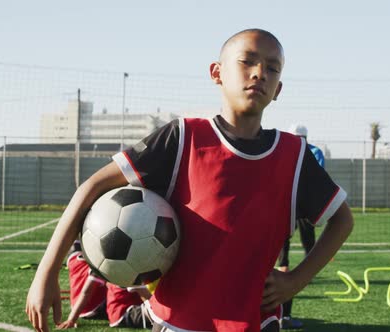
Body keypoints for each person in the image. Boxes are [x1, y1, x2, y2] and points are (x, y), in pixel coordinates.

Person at [26, 28, 354, 332]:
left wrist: (296, 279)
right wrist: (47, 271)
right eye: (247, 62)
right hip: (176, 323)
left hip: (256, 322)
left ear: (278, 88)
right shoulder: (183, 138)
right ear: (217, 73)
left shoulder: (293, 155)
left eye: (272, 67)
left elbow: (342, 220)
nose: (259, 73)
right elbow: (92, 187)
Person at [277, 124, 325, 329]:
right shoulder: (312, 151)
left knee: (285, 252)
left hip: (286, 208)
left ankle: (280, 315)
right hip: (300, 206)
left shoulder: (284, 150)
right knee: (301, 244)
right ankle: (285, 314)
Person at [57, 240, 153, 329]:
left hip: (109, 307)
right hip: (116, 311)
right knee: (159, 313)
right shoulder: (122, 268)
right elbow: (86, 292)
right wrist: (71, 319)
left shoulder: (75, 258)